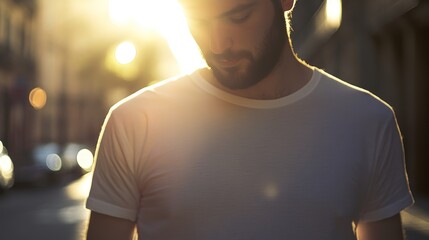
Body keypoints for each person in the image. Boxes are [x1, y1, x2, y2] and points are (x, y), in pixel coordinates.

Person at [86, 0, 414, 239]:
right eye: (198, 21)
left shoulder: (367, 121)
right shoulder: (135, 121)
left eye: (238, 16)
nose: (218, 43)